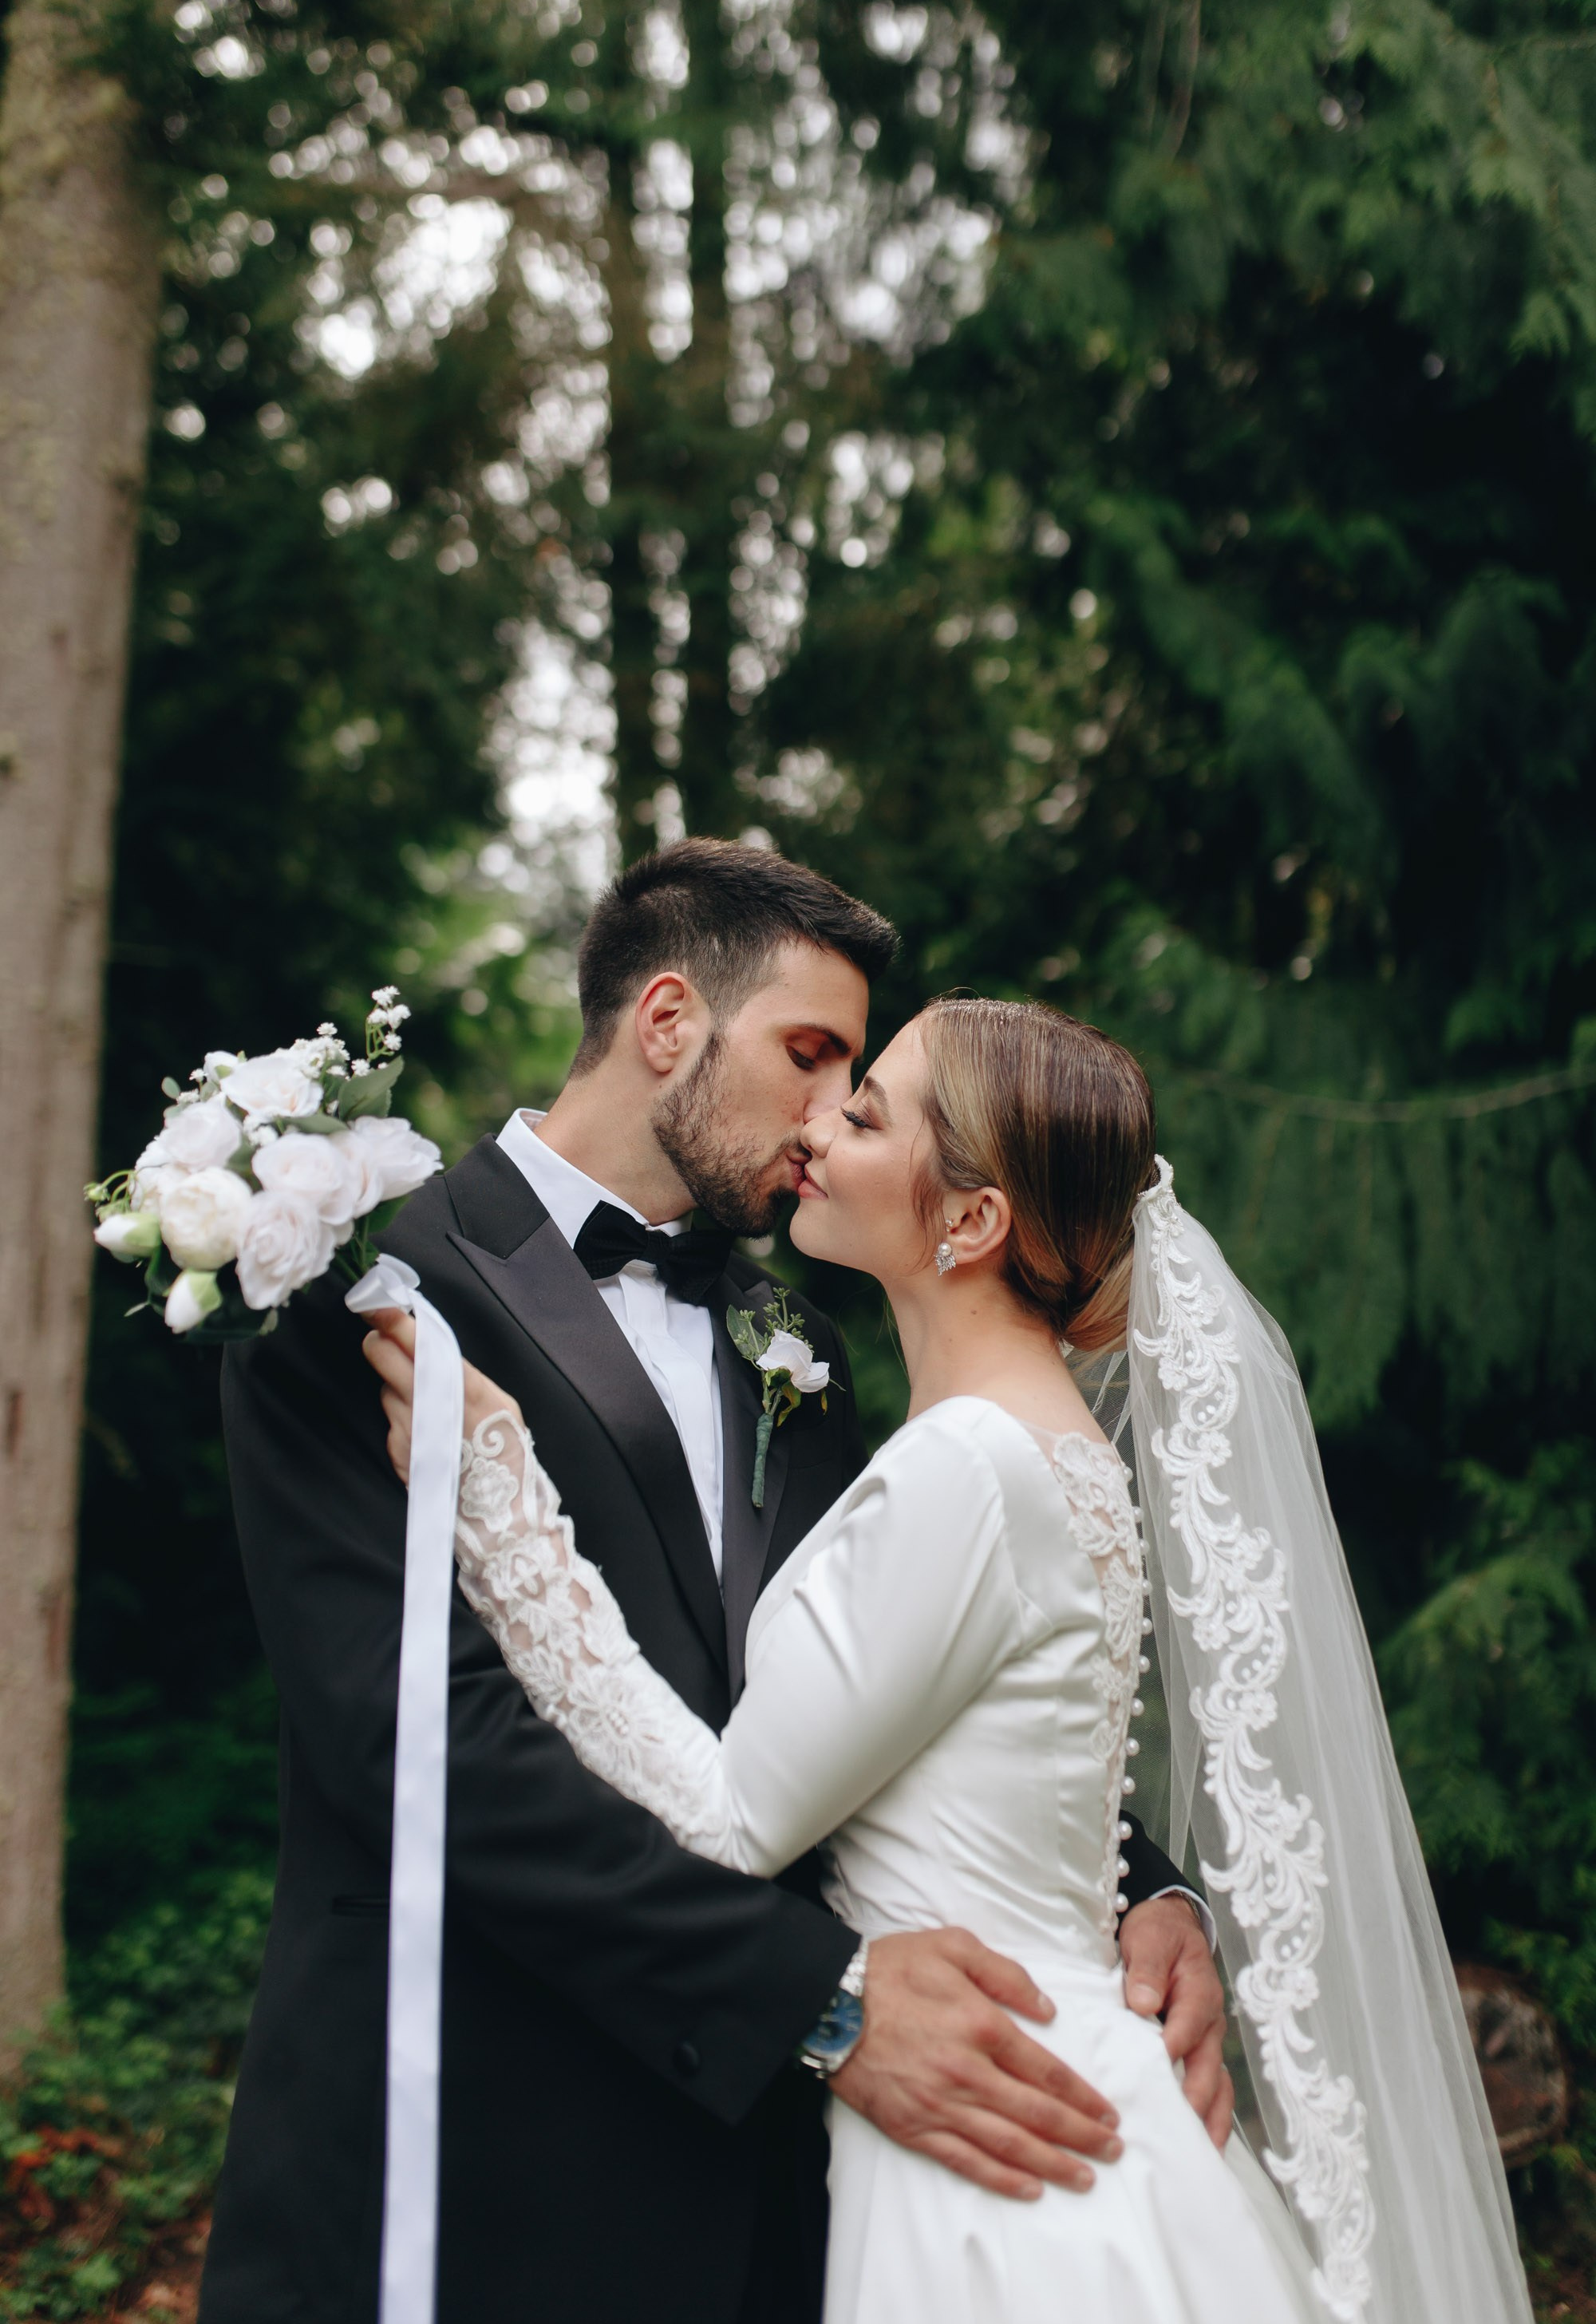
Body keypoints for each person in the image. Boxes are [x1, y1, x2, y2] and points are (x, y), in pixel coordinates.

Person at [365, 990, 1535, 2324]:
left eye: (863, 1113)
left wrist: (502, 1507)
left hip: (998, 2168)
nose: (819, 1124)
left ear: (973, 1221)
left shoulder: (970, 1468)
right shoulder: (1037, 1450)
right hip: (1056, 2086)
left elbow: (737, 1815)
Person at [200, 842, 1223, 2324]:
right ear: (667, 1022)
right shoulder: (361, 1282)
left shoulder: (795, 1329)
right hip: (475, 2155)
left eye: (857, 1079)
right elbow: (423, 1743)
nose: (831, 1120)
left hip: (770, 2207)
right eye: (810, 1058)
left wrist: (1140, 1884)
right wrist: (812, 2000)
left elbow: (899, 1662)